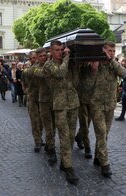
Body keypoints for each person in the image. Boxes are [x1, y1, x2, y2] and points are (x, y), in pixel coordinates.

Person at [43, 40, 79, 185]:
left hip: (73, 103)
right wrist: (67, 58)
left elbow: (75, 81)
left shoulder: (67, 64)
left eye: (61, 50)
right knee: (64, 136)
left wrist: (75, 66)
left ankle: (65, 162)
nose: (60, 52)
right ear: (51, 51)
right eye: (57, 50)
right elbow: (60, 73)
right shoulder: (48, 65)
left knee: (70, 137)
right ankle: (69, 168)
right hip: (60, 105)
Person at [89, 41, 126, 177]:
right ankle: (105, 164)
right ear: (102, 50)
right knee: (101, 132)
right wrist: (93, 70)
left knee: (105, 134)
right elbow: (86, 85)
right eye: (109, 50)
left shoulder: (113, 65)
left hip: (110, 104)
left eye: (113, 51)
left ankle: (98, 157)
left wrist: (113, 60)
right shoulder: (94, 64)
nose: (111, 53)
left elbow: (124, 74)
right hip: (96, 104)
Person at [22, 51, 45, 153]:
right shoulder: (28, 70)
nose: (33, 60)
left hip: (42, 98)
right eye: (31, 58)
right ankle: (37, 141)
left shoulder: (43, 68)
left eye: (35, 57)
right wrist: (26, 91)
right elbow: (24, 83)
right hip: (32, 99)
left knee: (41, 121)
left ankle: (40, 137)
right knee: (35, 121)